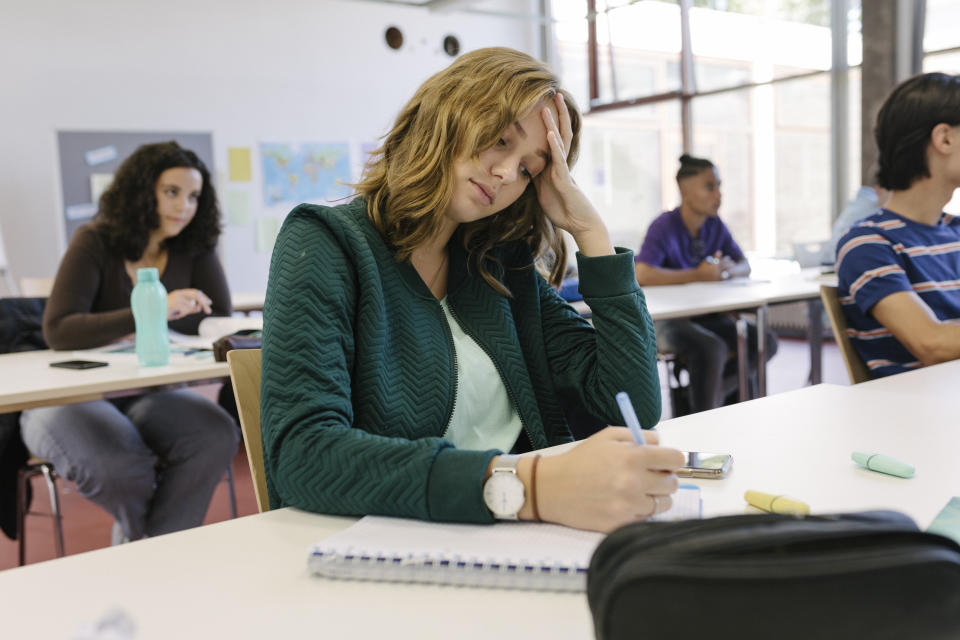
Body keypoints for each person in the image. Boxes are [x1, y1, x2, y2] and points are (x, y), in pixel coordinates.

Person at [260, 47, 684, 533]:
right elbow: (303, 455)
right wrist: (527, 485)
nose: (506, 173)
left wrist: (590, 233)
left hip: (517, 539)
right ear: (449, 113)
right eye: (500, 139)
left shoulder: (499, 266)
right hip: (385, 545)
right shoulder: (326, 242)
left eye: (530, 169)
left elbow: (628, 402)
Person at [20, 141, 239, 543]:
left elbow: (217, 320)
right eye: (171, 192)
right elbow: (60, 329)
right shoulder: (94, 241)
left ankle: (144, 555)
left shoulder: (194, 247)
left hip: (145, 390)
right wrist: (152, 310)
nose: (184, 207)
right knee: (118, 464)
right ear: (141, 192)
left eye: (194, 197)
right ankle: (157, 555)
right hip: (68, 394)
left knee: (216, 433)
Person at [836, 72, 960, 378]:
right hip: (916, 415)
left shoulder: (955, 230)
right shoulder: (868, 244)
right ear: (944, 138)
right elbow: (930, 342)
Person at [634, 154, 778, 413]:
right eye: (710, 186)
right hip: (668, 321)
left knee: (764, 340)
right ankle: (704, 412)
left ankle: (720, 392)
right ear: (685, 191)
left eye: (720, 186)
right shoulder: (663, 226)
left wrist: (730, 270)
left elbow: (744, 264)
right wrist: (698, 275)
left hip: (706, 317)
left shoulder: (715, 225)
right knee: (712, 348)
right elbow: (642, 273)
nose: (718, 195)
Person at [821, 173, 890, 266]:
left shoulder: (861, 201)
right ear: (879, 189)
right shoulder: (872, 206)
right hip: (838, 264)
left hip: (832, 260)